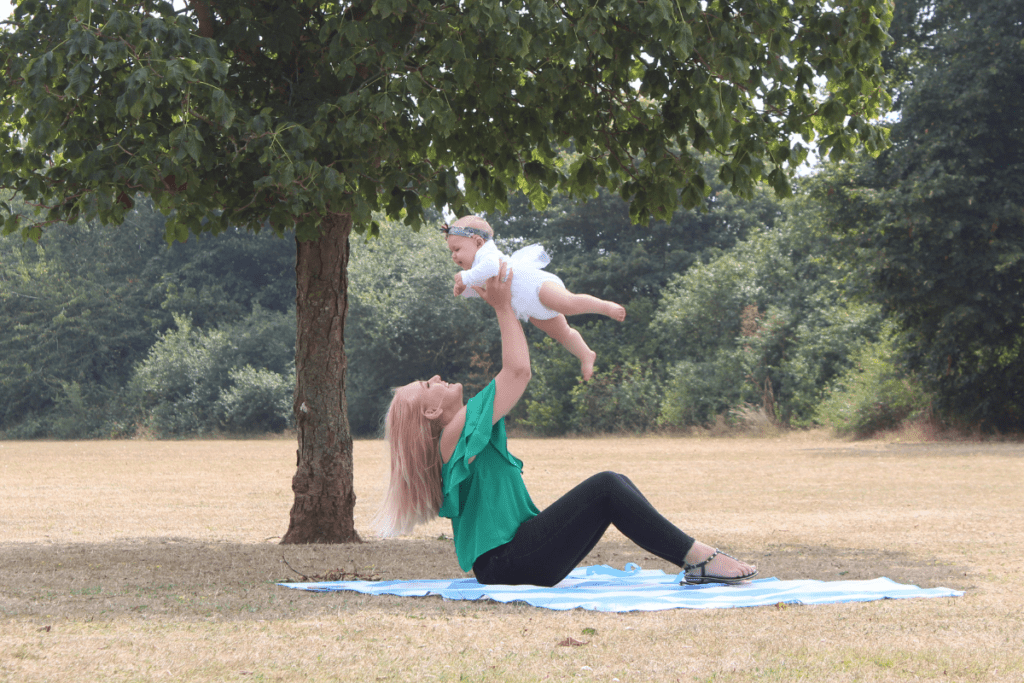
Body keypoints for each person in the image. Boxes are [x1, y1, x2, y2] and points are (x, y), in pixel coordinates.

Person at [374, 262, 758, 588]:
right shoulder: (454, 432)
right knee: (607, 485)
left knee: (614, 484)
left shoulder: (463, 430)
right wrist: (503, 307)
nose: (437, 377)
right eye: (428, 385)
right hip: (509, 562)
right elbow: (518, 371)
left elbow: (515, 373)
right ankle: (699, 560)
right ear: (428, 413)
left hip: (515, 557)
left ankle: (698, 560)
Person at [441, 215, 625, 381]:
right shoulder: (477, 269)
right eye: (451, 251)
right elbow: (488, 292)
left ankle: (605, 307)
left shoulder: (487, 255)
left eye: (457, 249)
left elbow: (490, 267)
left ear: (478, 242)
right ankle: (586, 354)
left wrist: (466, 277)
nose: (453, 255)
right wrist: (465, 289)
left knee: (568, 304)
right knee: (562, 333)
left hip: (538, 287)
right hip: (529, 308)